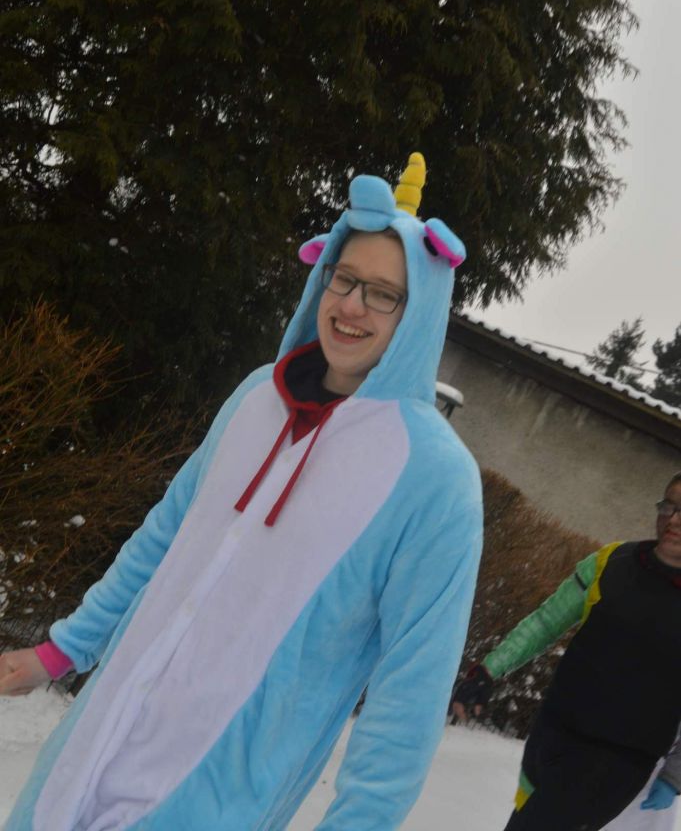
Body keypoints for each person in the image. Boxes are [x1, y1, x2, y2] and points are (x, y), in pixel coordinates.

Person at [0, 155, 483, 831]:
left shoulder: (434, 478)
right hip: (95, 743)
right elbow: (165, 534)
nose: (351, 306)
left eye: (384, 294)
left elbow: (413, 681)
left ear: (419, 314)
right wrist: (62, 650)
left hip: (219, 795)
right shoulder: (257, 395)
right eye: (344, 278)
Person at [451, 473, 681, 831]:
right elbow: (545, 622)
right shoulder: (611, 562)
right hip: (553, 734)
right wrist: (488, 670)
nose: (674, 519)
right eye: (669, 505)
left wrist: (676, 772)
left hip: (618, 760)